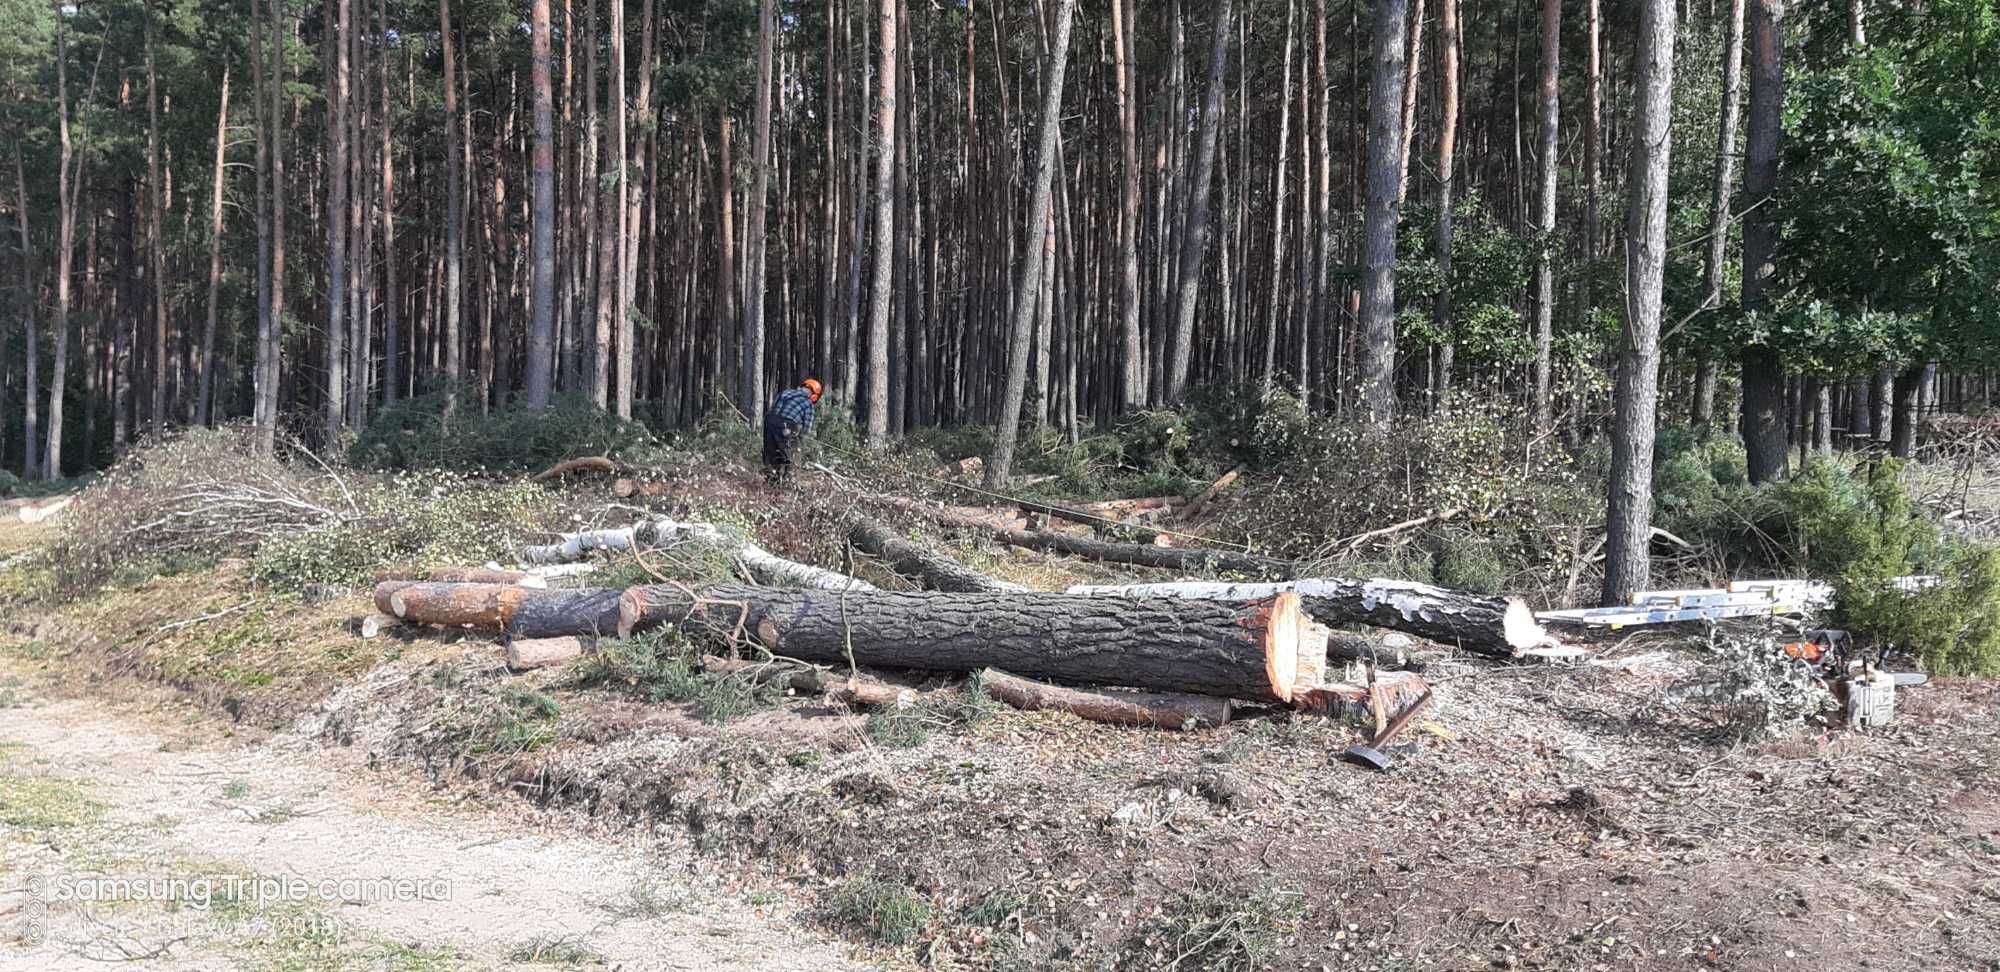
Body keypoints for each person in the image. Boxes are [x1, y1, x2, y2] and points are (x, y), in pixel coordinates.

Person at [762, 378, 822, 485]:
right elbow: (806, 428)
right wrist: (801, 444)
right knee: (788, 456)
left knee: (770, 452)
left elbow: (773, 408)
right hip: (786, 425)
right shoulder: (808, 404)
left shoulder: (786, 392)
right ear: (814, 395)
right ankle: (786, 482)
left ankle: (770, 479)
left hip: (769, 420)